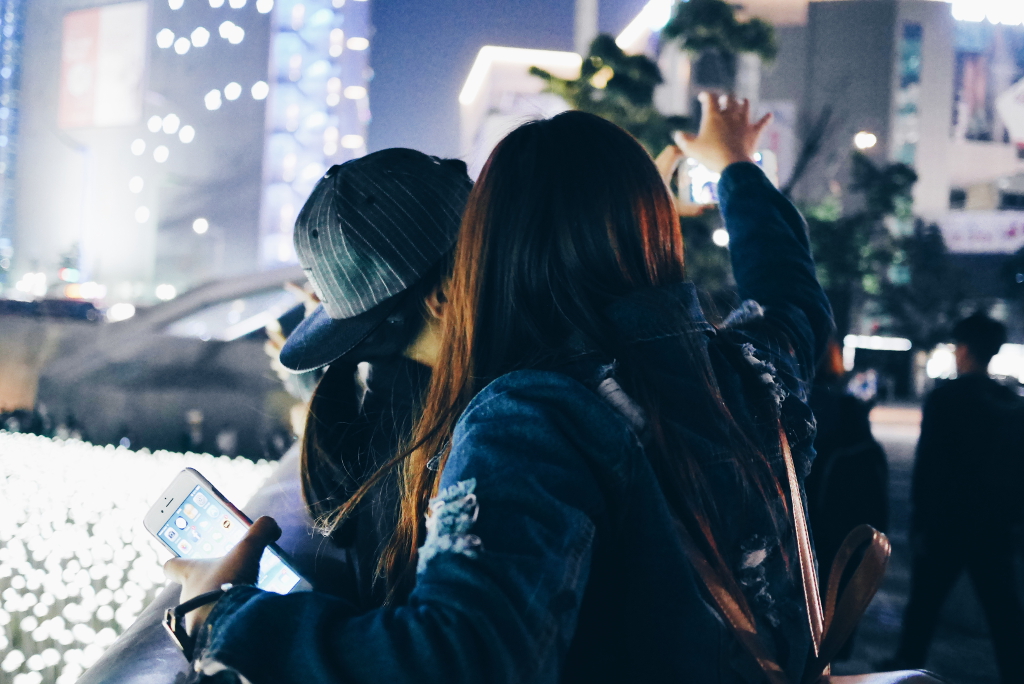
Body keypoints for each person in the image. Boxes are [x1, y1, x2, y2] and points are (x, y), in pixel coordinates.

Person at [165, 95, 833, 683]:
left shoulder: (531, 418)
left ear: (495, 244)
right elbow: (795, 295)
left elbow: (460, 659)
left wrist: (221, 618)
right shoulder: (749, 361)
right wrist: (738, 168)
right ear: (656, 223)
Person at [883, 312, 1024, 681]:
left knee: (925, 602)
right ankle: (1014, 670)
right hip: (994, 525)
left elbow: (929, 468)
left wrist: (920, 522)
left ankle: (905, 665)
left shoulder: (946, 398)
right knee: (1003, 610)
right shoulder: (1012, 403)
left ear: (963, 350)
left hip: (947, 522)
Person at [805, 338, 889, 660]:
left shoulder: (776, 397)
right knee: (832, 599)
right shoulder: (848, 409)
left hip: (800, 520)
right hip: (842, 525)